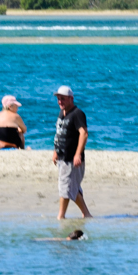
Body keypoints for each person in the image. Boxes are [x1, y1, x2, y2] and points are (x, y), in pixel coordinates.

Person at [53, 86, 90, 220]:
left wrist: (78, 154)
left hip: (71, 159)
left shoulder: (77, 114)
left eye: (63, 99)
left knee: (65, 187)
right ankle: (86, 214)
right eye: (58, 99)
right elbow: (59, 134)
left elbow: (84, 134)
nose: (60, 101)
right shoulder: (61, 113)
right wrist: (55, 152)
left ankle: (61, 216)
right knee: (71, 187)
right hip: (62, 157)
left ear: (71, 99)